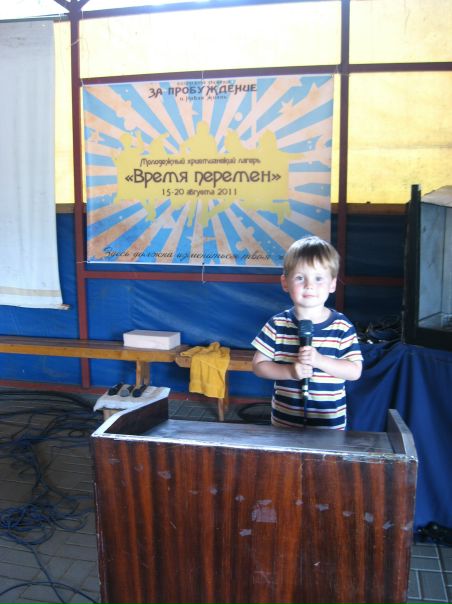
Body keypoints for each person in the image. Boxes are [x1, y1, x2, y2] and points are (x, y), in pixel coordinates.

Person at [251, 236, 363, 430]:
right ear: (285, 283)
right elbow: (258, 366)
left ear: (332, 284)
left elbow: (354, 371)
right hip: (284, 424)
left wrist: (320, 360)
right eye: (300, 278)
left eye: (318, 278)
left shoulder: (342, 326)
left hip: (329, 427)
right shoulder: (277, 324)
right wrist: (290, 372)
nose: (309, 285)